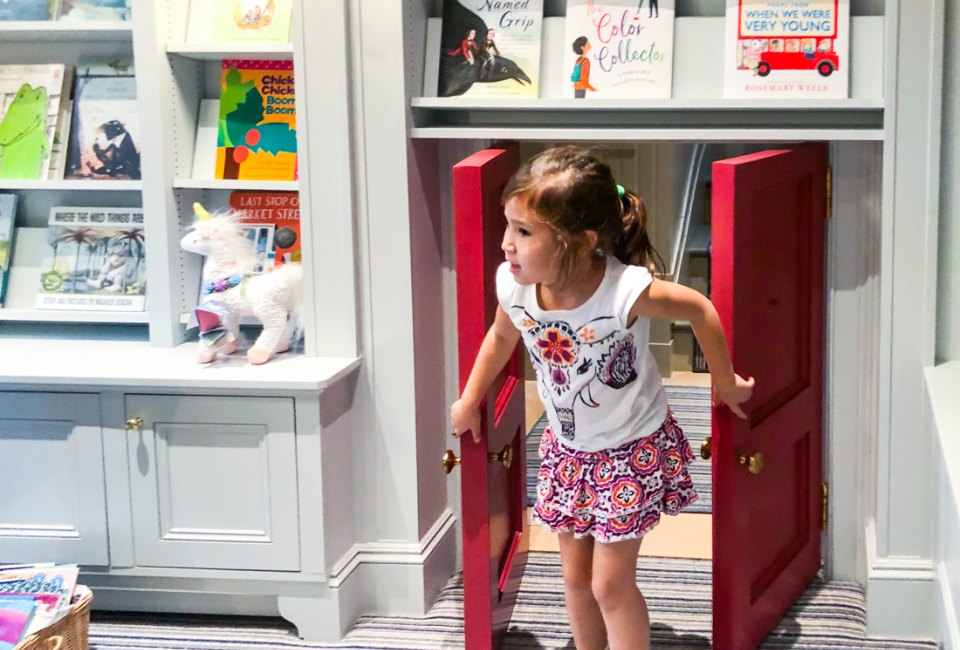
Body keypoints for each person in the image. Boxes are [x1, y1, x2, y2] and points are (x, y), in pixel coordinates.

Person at [450, 146, 754, 650]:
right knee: (573, 580)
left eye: (524, 232)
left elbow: (700, 310)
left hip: (629, 450)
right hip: (569, 450)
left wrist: (723, 382)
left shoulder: (625, 291)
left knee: (608, 585)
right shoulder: (514, 285)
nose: (506, 245)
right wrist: (469, 399)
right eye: (508, 226)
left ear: (580, 241)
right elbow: (501, 339)